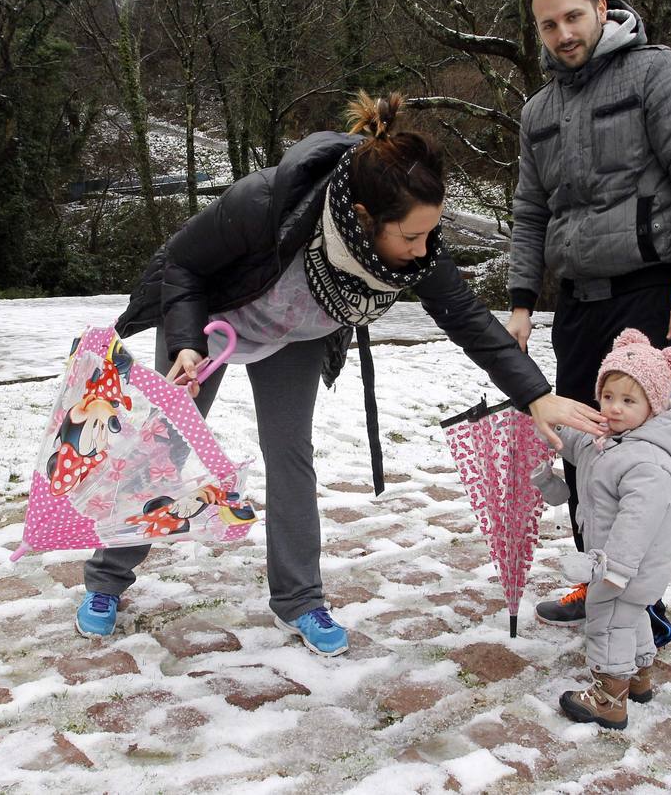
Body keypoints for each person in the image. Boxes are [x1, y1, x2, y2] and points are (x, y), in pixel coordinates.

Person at [76, 91, 605, 657]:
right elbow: (183, 263)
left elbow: (468, 319)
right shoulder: (267, 201)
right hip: (210, 324)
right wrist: (184, 343)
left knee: (290, 454)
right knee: (162, 445)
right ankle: (107, 579)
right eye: (411, 237)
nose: (423, 250)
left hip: (292, 337)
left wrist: (536, 395)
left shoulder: (413, 248)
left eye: (430, 234)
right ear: (362, 217)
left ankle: (299, 598)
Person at [505, 0, 671, 640]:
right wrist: (521, 301)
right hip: (577, 304)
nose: (563, 33)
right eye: (549, 25)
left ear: (601, 9)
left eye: (574, 16)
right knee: (582, 447)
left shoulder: (657, 73)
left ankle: (643, 602)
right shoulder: (538, 111)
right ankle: (596, 581)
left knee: (640, 456)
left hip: (648, 294)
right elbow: (529, 212)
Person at [530, 329, 671, 729]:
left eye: (628, 401)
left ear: (653, 405)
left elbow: (637, 526)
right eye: (607, 396)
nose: (614, 408)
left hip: (626, 567)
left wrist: (613, 571)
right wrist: (548, 424)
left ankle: (608, 698)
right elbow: (575, 442)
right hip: (614, 564)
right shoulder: (608, 439)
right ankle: (638, 678)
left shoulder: (647, 463)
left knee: (607, 623)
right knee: (631, 620)